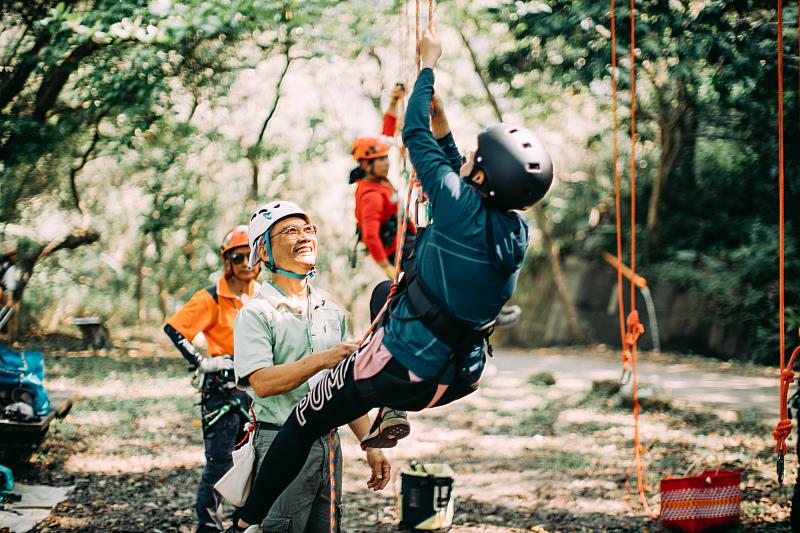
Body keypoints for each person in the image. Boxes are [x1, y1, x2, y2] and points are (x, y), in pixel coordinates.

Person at [228, 27, 553, 531]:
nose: (464, 160)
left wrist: (426, 66)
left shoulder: (451, 201)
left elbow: (415, 138)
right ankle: (381, 415)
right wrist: (443, 123)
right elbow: (449, 171)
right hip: (459, 375)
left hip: (403, 370)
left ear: (482, 179)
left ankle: (246, 519)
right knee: (387, 292)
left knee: (304, 422)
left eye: (473, 161)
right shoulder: (514, 229)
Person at [228, 201, 395, 533]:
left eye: (308, 229)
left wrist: (370, 443)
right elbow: (262, 382)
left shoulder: (330, 311)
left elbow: (340, 390)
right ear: (262, 250)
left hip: (328, 445)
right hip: (279, 443)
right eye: (291, 231)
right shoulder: (257, 313)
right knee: (282, 526)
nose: (305, 237)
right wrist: (324, 358)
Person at [163, 226, 259, 533]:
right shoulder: (212, 298)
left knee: (251, 461)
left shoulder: (262, 296)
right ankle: (209, 527)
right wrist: (203, 361)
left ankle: (242, 526)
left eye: (251, 256)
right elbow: (175, 329)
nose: (246, 263)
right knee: (220, 463)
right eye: (238, 257)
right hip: (221, 392)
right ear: (227, 261)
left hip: (254, 390)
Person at [350, 84, 415, 280]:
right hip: (400, 253)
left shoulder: (378, 181)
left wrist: (394, 102)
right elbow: (370, 237)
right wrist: (388, 269)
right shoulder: (371, 195)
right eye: (380, 160)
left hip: (407, 242)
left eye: (386, 158)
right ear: (366, 164)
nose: (386, 163)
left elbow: (386, 134)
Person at [0, 248, 20, 345]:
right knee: (12, 319)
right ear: (11, 257)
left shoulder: (3, 266)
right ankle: (12, 341)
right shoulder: (11, 267)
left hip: (2, 292)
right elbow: (10, 284)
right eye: (15, 255)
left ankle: (9, 339)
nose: (16, 257)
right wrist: (10, 299)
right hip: (8, 294)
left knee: (6, 317)